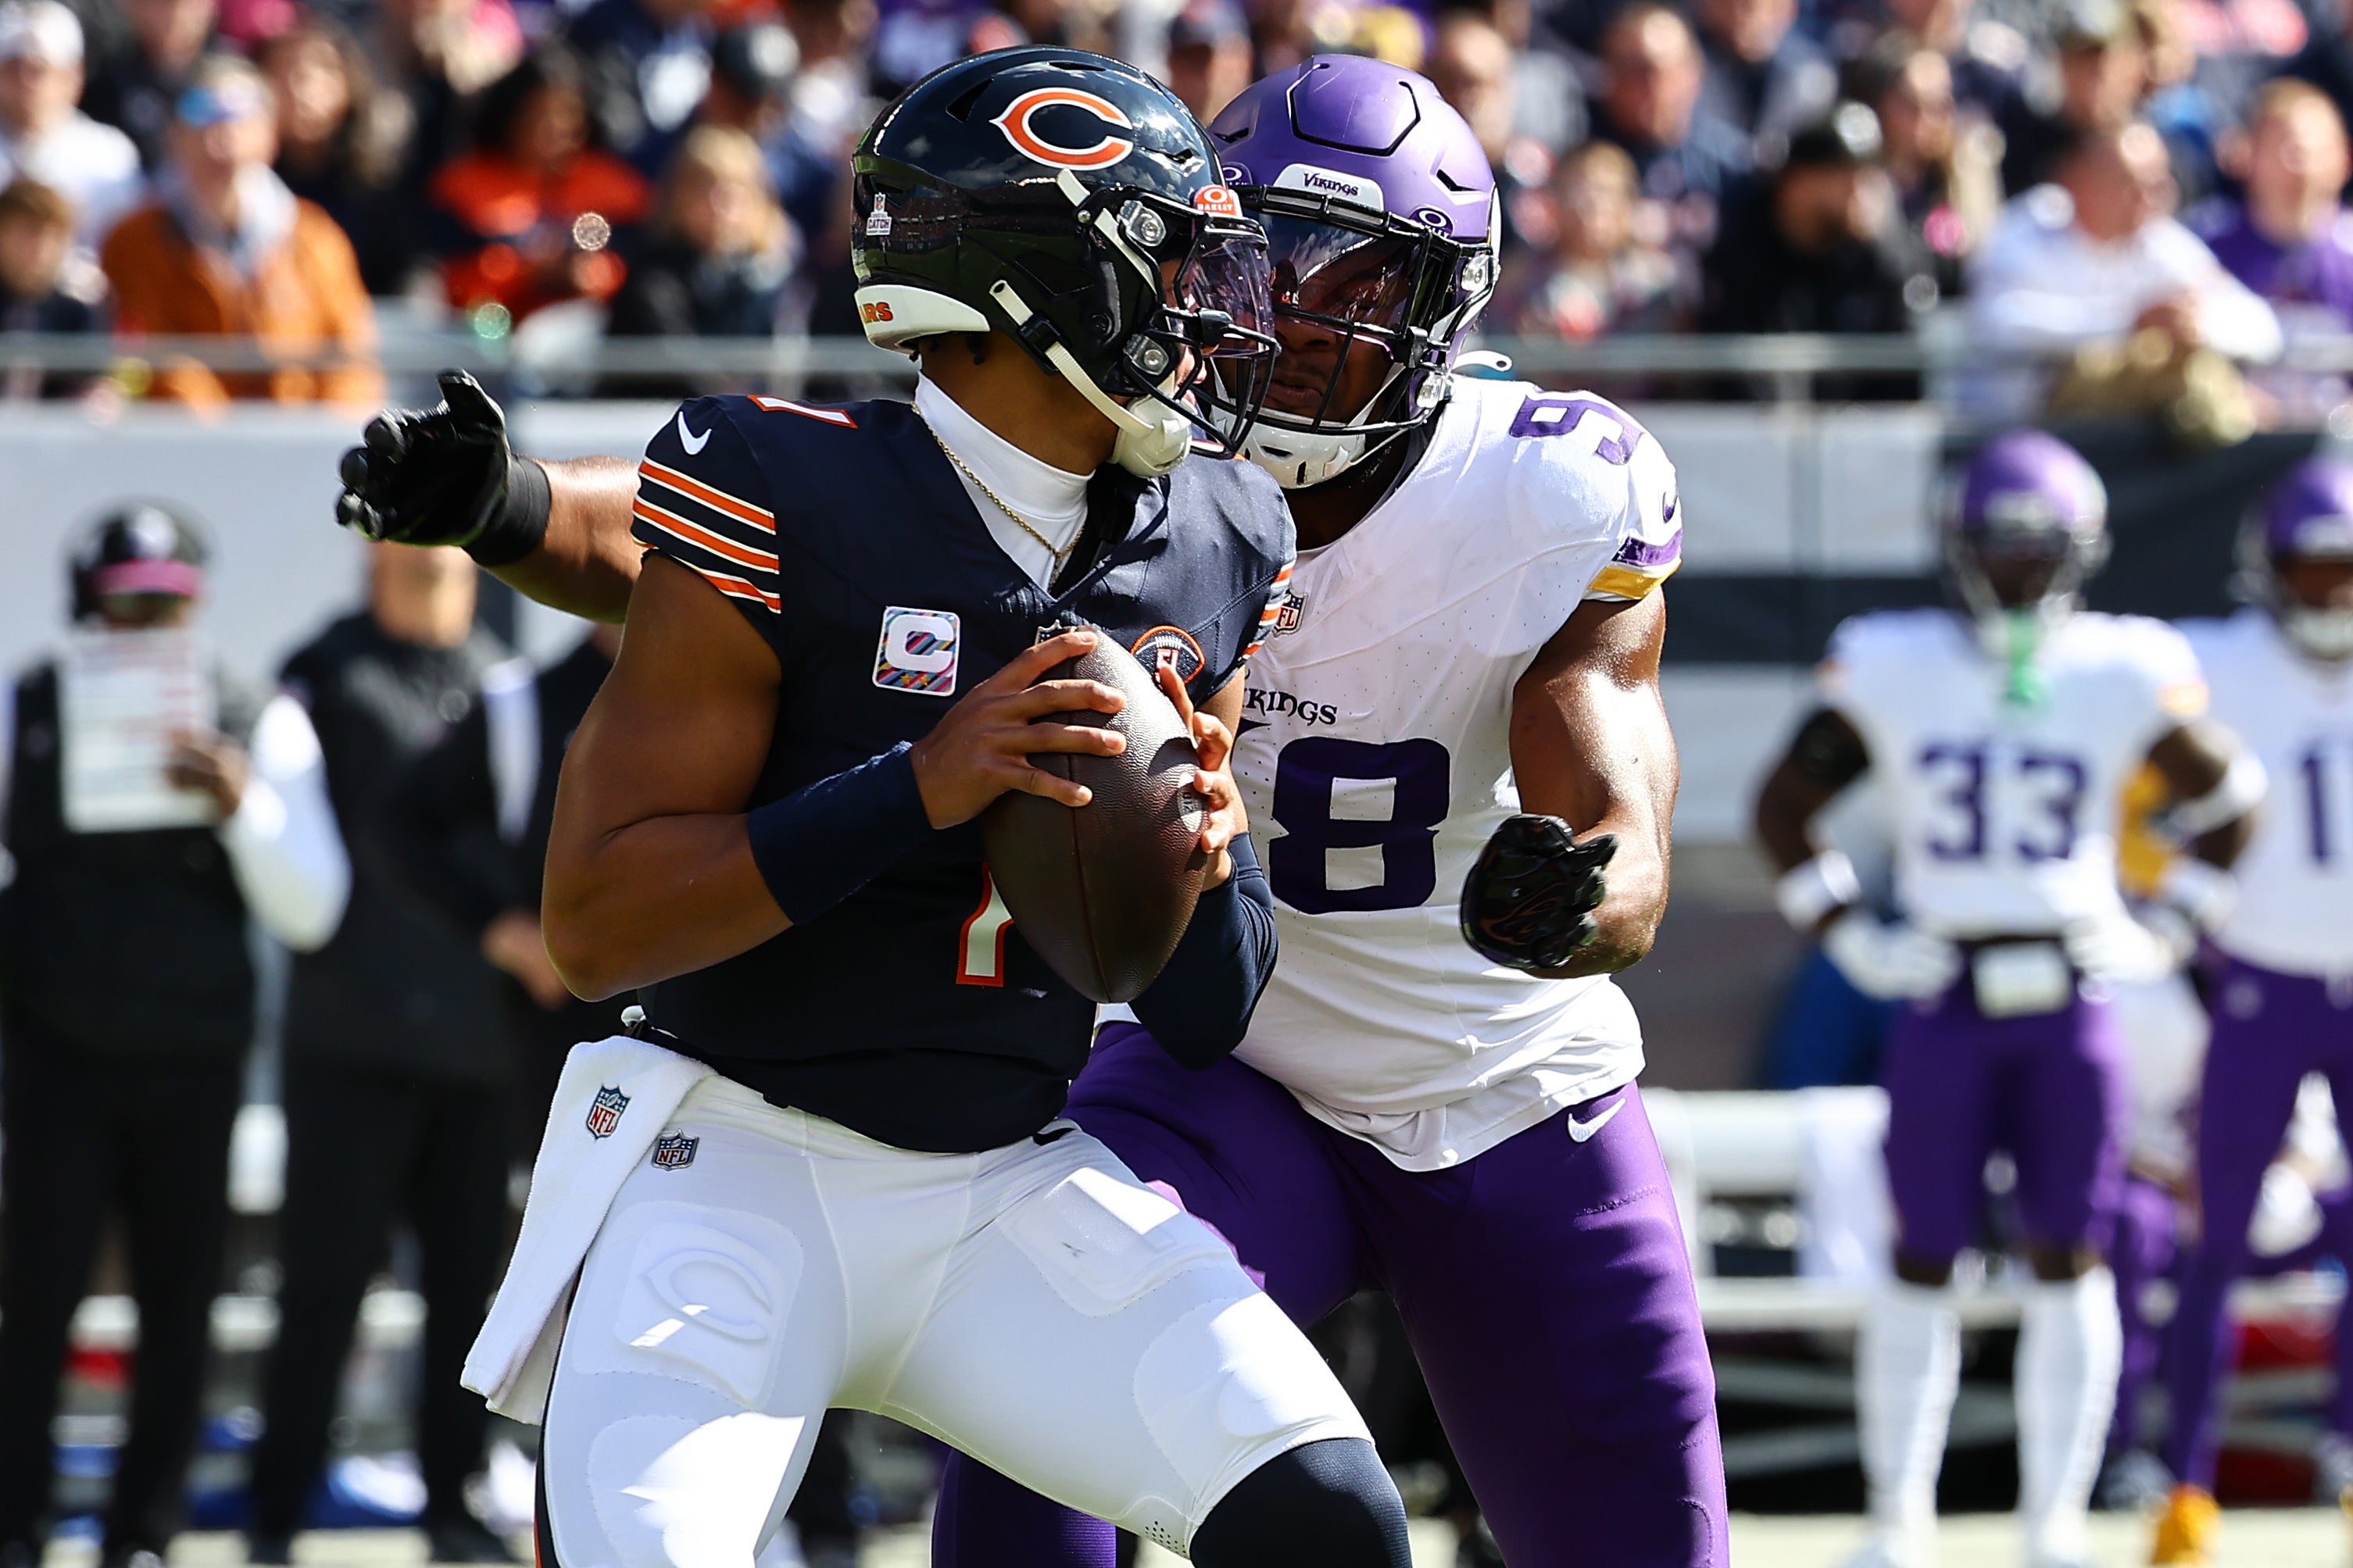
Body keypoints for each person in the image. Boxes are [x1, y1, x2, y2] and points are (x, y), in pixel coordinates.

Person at [336, 47, 1414, 1568]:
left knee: (1331, 1525)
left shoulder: (1217, 534)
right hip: (732, 1162)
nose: (1207, 313)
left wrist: (1203, 872)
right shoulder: (782, 485)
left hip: (1002, 1173)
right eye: (1166, 265)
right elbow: (596, 923)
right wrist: (921, 782)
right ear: (1042, 283)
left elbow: (1195, 1015)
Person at [932, 54, 1723, 1568]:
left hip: (1498, 1085)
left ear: (1438, 313)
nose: (1294, 316)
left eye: (1355, 275)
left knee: (1642, 1538)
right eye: (1263, 260)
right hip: (1223, 1067)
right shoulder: (1108, 460)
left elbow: (1609, 769)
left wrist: (1587, 887)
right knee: (1021, 1349)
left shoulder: (1542, 491)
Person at [1751, 430, 2261, 1568]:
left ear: (2078, 552)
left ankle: (2050, 1524)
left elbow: (2233, 798)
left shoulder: (2121, 663)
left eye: (2039, 550)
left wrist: (2168, 921)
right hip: (1942, 988)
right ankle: (1897, 1519)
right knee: (1917, 1252)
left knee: (2066, 1254)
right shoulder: (1891, 658)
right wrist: (1850, 936)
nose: (2021, 572)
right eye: (2001, 548)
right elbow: (1781, 804)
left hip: (2069, 995)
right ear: (1957, 548)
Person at [0, 505, 348, 1568]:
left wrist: (241, 804)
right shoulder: (31, 704)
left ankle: (142, 1534)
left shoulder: (255, 717)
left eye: (167, 603)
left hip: (191, 1064)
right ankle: (14, 1524)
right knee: (34, 1302)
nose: (146, 622)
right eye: (126, 602)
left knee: (178, 1310)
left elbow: (312, 906)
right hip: (56, 1058)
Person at [245, 542, 523, 1568]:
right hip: (349, 1041)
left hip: (474, 1045)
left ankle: (451, 1502)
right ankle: (276, 1511)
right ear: (375, 563)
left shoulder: (498, 678)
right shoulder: (323, 674)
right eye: (411, 560)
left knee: (464, 1289)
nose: (433, 577)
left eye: (450, 562)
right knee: (320, 1289)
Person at [2151, 458, 2353, 1566]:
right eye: (2310, 572)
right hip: (2255, 979)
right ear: (2266, 572)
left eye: (2344, 574)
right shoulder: (2210, 663)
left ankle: (2345, 1459)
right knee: (2212, 1238)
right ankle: (2184, 1479)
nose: (2329, 594)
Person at [98, 55, 380, 405]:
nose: (221, 143)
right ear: (175, 138)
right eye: (202, 121)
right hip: (184, 449)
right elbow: (145, 357)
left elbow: (351, 362)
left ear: (270, 136)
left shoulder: (316, 239)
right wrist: (226, 440)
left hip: (300, 444)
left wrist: (319, 438)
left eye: (238, 121)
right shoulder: (134, 243)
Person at [1965, 120, 2280, 420]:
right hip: (2018, 428)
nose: (2152, 199)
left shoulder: (2162, 241)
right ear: (2078, 183)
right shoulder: (2026, 230)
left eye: (2160, 184)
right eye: (2133, 184)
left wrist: (2197, 326)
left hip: (2135, 440)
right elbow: (1997, 322)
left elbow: (2263, 327)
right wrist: (2130, 324)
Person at [1699, 103, 1938, 390]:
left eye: (1866, 170)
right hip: (1756, 425)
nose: (1858, 186)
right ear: (1798, 181)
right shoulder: (1747, 239)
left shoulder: (1876, 249)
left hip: (1861, 424)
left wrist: (1882, 248)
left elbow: (1905, 347)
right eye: (1842, 171)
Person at [426, 45, 650, 327]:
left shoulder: (615, 187)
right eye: (539, 113)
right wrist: (531, 274)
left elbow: (643, 275)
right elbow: (450, 285)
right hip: (488, 336)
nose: (554, 127)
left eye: (567, 114)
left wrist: (592, 275)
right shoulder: (462, 186)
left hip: (592, 339)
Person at [599, 123, 790, 389]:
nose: (718, 206)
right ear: (678, 197)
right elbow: (676, 367)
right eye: (703, 190)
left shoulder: (772, 281)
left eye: (732, 193)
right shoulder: (652, 281)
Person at [253, 21, 415, 296]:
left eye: (320, 69)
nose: (300, 85)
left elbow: (402, 276)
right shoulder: (244, 184)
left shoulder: (379, 185)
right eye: (284, 69)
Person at [1587, 2, 1750, 271]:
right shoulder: (1579, 149)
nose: (1643, 86)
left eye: (1653, 70)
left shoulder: (1731, 168)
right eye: (1627, 68)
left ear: (1692, 74)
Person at [1500, 138, 1683, 338]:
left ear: (1630, 204)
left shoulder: (1658, 285)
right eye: (1579, 191)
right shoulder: (1517, 280)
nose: (1593, 205)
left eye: (1605, 192)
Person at [0, 0, 142, 253]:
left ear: (74, 77)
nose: (26, 82)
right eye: (14, 67)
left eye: (39, 70)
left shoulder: (111, 158)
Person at [1693, 0, 1835, 163]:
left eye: (1750, 6)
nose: (1742, 17)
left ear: (1788, 10)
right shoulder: (1681, 67)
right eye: (1731, 4)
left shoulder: (1813, 73)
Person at [0, 175, 102, 398]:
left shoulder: (76, 315)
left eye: (54, 236)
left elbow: (90, 391)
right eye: (28, 232)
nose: (41, 249)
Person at [79, 0, 213, 170]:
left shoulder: (229, 74)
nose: (176, 15)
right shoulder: (108, 75)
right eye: (164, 4)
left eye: (185, 4)